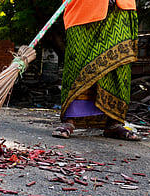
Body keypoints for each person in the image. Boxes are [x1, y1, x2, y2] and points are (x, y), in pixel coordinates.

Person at [52, 0, 140, 140]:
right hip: (83, 8)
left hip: (119, 10)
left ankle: (114, 122)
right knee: (77, 64)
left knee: (116, 66)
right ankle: (70, 120)